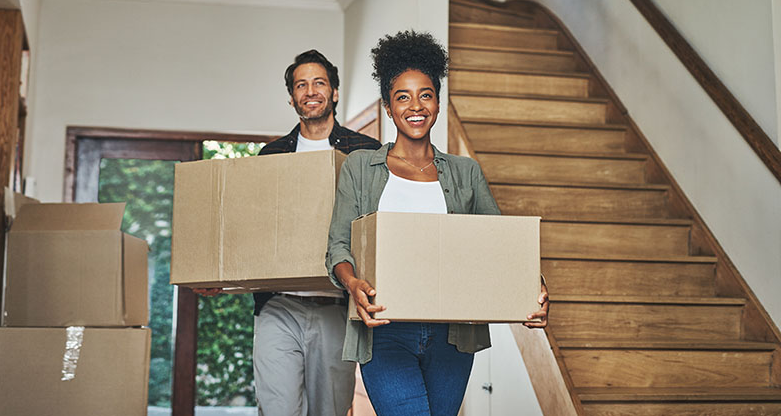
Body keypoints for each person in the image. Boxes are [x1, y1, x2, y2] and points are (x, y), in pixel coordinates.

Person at [326, 31, 549, 415]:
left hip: (453, 335)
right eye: (403, 96)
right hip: (385, 330)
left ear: (439, 102)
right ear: (387, 106)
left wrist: (533, 286)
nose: (416, 105)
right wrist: (352, 283)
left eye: (425, 94)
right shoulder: (361, 169)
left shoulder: (466, 173)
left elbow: (499, 245)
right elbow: (338, 246)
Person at [195, 49, 381, 416]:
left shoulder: (366, 152)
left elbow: (377, 228)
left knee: (330, 410)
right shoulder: (272, 155)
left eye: (319, 83)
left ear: (335, 92)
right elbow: (252, 229)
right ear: (292, 97)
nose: (310, 91)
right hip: (278, 306)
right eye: (301, 85)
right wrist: (219, 275)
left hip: (335, 306)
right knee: (277, 408)